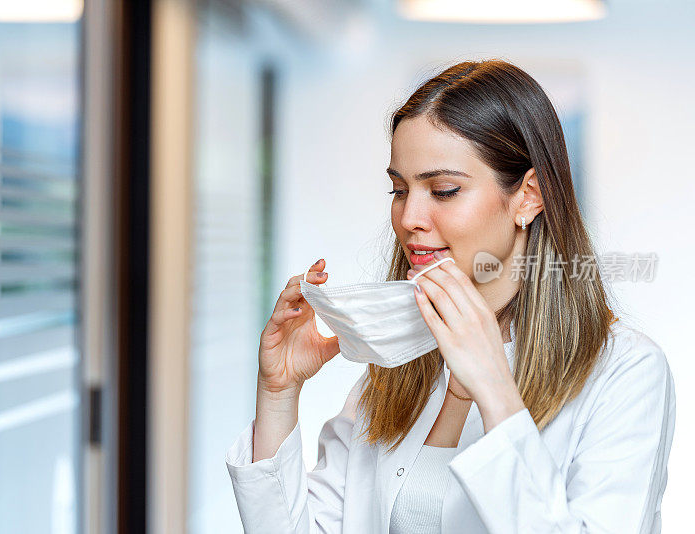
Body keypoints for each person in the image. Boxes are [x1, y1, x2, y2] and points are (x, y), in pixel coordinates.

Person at [224, 59, 676, 533]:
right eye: (399, 189)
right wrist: (278, 392)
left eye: (443, 190)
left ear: (528, 196)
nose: (409, 218)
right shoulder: (397, 366)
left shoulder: (626, 372)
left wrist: (495, 391)